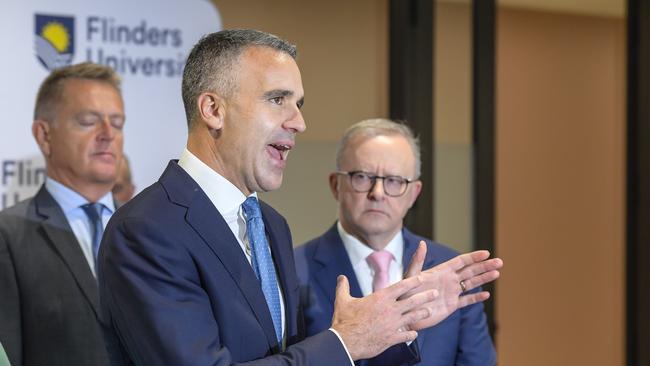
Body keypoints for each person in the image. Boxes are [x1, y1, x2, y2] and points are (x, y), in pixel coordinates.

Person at [98, 29, 502, 365]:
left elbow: (296, 357)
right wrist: (346, 341)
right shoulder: (146, 230)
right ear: (212, 109)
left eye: (299, 103)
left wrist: (394, 326)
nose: (300, 122)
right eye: (278, 100)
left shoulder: (270, 225)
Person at [295, 118, 497, 365]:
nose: (377, 193)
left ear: (414, 193)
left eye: (394, 181)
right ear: (336, 185)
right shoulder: (293, 271)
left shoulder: (453, 274)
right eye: (363, 177)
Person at [0, 62, 125, 366]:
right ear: (44, 135)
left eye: (118, 123)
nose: (108, 134)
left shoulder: (151, 231)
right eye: (88, 121)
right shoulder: (7, 236)